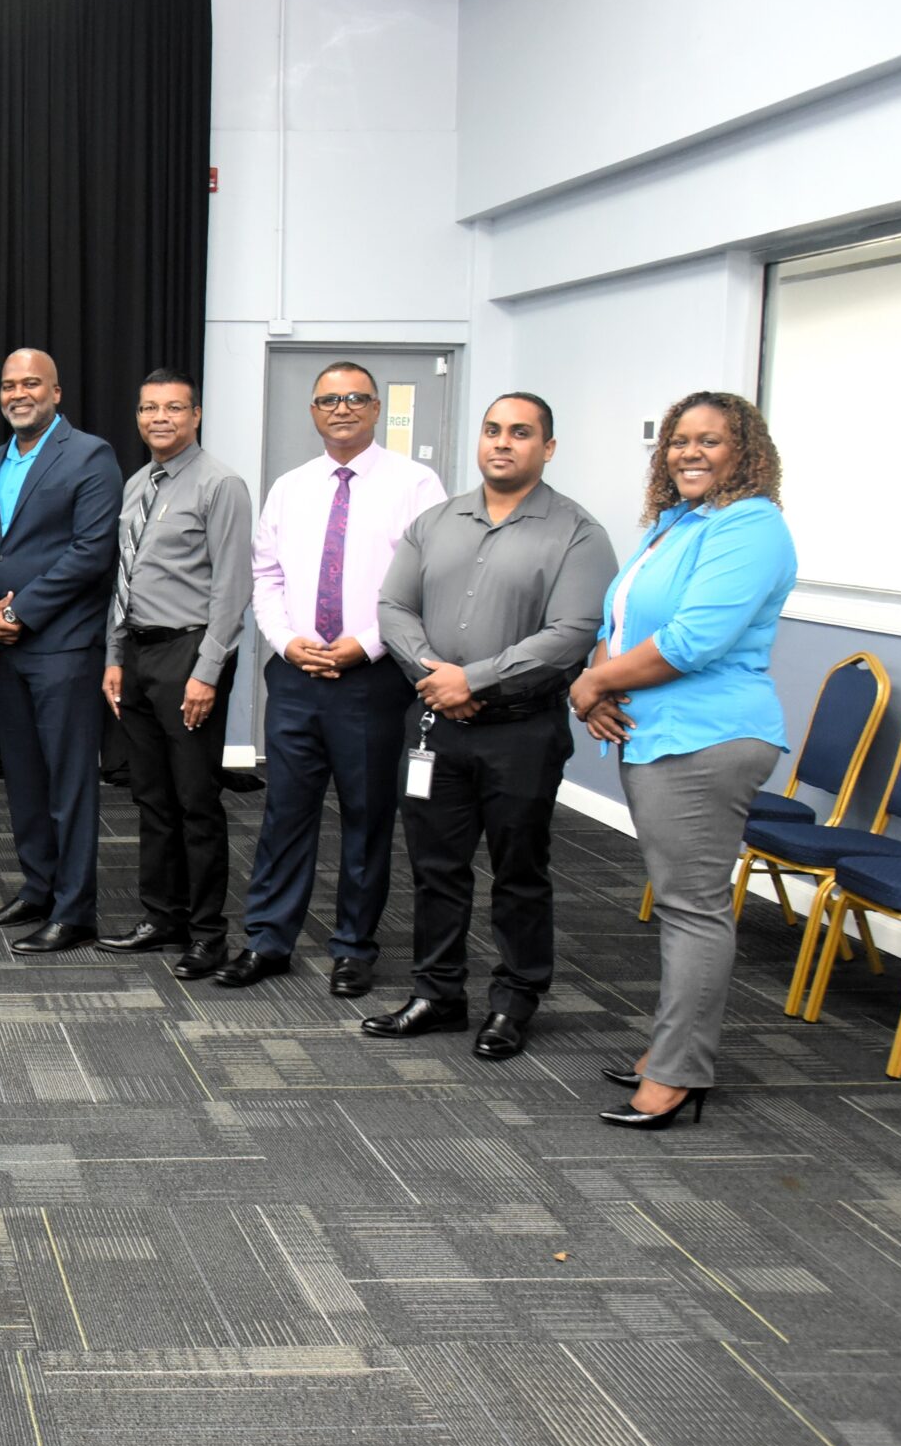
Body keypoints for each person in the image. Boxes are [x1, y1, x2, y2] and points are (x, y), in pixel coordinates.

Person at [571, 391, 794, 1128]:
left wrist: (592, 684)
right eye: (678, 440)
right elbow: (620, 621)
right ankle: (669, 1050)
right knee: (679, 902)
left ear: (745, 452)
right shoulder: (677, 524)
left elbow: (694, 639)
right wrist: (599, 678)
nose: (690, 453)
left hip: (708, 738)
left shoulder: (751, 526)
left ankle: (677, 1075)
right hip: (660, 733)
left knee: (693, 908)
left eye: (710, 440)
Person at [367, 394, 615, 1059]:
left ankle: (514, 1001)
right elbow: (393, 607)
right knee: (436, 867)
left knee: (520, 870)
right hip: (435, 726)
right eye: (493, 430)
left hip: (520, 732)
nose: (502, 442)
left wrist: (472, 680)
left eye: (521, 432)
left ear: (547, 448)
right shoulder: (434, 522)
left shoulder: (578, 533)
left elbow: (571, 634)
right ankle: (438, 993)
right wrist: (437, 677)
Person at [223, 362, 446, 995]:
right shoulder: (290, 487)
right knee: (284, 814)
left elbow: (427, 580)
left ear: (375, 408)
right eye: (328, 400)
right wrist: (285, 640)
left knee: (366, 817)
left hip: (372, 678)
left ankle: (354, 947)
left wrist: (367, 644)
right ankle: (267, 940)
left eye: (354, 398)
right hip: (295, 675)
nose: (341, 408)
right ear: (313, 412)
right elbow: (266, 576)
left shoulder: (415, 484)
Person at [0, 347, 122, 955]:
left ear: (56, 392)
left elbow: (91, 551)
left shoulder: (90, 455)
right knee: (25, 779)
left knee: (70, 783)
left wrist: (19, 611)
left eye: (32, 383)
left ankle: (74, 910)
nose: (19, 393)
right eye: (9, 385)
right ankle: (38, 888)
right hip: (4, 648)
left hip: (63, 647)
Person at [98, 370, 253, 974]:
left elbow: (232, 590)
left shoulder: (221, 484)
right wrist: (115, 657)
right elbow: (124, 577)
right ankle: (162, 916)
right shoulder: (139, 483)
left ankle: (208, 934)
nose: (159, 418)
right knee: (151, 797)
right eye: (148, 408)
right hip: (138, 654)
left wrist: (207, 672)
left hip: (189, 654)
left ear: (196, 415)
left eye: (173, 408)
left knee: (195, 800)